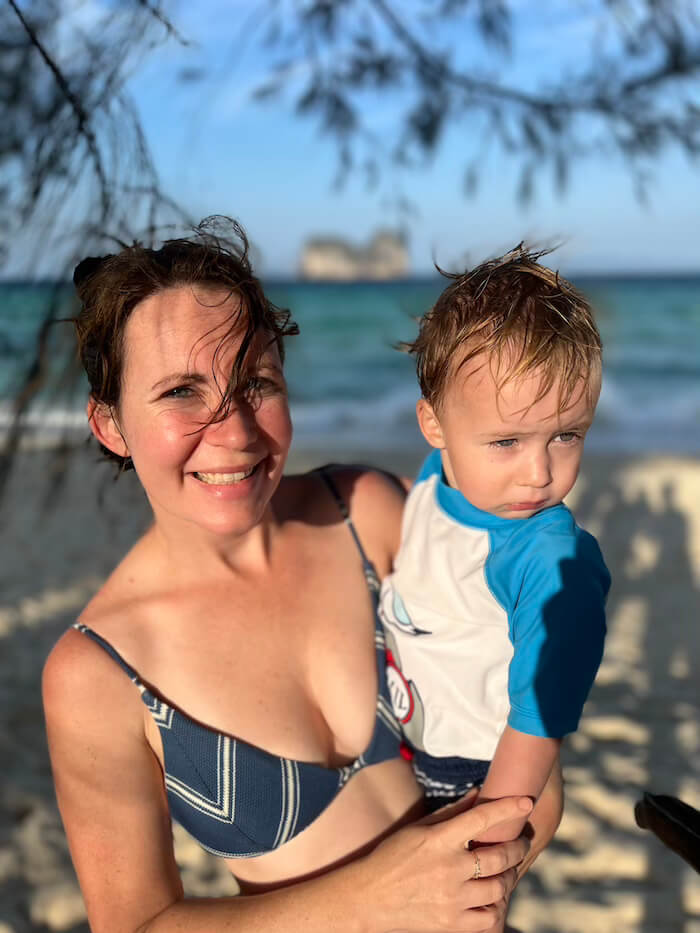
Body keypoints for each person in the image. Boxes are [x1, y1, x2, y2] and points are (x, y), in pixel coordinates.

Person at [42, 219, 557, 933]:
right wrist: (377, 900)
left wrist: (491, 863)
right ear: (111, 425)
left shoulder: (368, 516)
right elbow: (135, 923)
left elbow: (532, 758)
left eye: (255, 381)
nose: (234, 432)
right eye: (182, 392)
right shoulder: (98, 672)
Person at [379, 246, 610, 926]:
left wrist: (486, 841)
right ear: (435, 427)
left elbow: (537, 722)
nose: (538, 473)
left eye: (566, 435)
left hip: (479, 777)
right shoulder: (431, 482)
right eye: (506, 442)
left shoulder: (547, 559)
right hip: (409, 743)